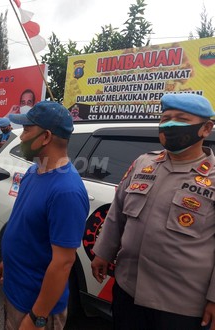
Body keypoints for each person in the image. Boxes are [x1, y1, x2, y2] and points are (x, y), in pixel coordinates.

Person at [91, 93, 215, 330]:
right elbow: (117, 213)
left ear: (206, 128)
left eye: (181, 118)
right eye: (166, 117)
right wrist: (103, 253)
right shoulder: (143, 163)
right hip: (128, 289)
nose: (170, 124)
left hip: (181, 304)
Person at [0, 101, 89, 329]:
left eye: (27, 130)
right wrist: (6, 260)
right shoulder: (33, 171)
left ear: (46, 137)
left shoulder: (66, 190)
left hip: (35, 307)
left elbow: (63, 262)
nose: (21, 137)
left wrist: (37, 317)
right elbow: (25, 226)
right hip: (15, 290)